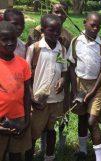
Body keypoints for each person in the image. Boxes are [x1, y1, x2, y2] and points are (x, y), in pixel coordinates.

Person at [25, 14, 67, 161]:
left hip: (56, 99)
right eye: (52, 30)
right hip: (39, 100)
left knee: (52, 130)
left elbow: (63, 70)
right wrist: (31, 97)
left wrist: (62, 78)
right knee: (33, 133)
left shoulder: (61, 50)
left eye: (58, 30)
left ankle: (49, 156)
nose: (56, 33)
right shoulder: (34, 49)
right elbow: (27, 76)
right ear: (42, 30)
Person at [68, 11, 101, 161]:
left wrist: (92, 91)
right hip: (80, 83)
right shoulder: (76, 42)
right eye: (92, 25)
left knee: (92, 121)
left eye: (98, 26)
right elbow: (72, 65)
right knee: (82, 118)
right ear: (85, 22)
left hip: (97, 85)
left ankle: (100, 157)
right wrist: (74, 89)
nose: (95, 28)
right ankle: (83, 151)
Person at [0, 21, 31, 161]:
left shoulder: (23, 64)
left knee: (16, 154)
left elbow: (27, 94)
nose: (10, 43)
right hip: (0, 120)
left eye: (13, 39)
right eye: (4, 39)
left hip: (19, 119)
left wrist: (27, 120)